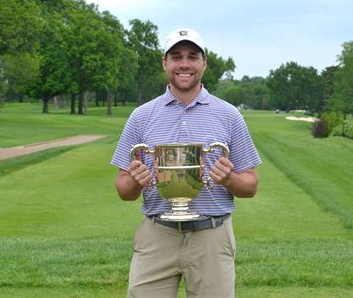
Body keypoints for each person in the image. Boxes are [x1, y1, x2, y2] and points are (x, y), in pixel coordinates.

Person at [111, 28, 262, 298]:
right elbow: (123, 188)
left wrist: (230, 179)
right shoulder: (141, 117)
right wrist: (134, 183)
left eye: (193, 57)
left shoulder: (229, 115)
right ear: (165, 63)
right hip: (157, 235)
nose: (184, 64)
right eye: (176, 56)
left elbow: (250, 185)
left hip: (212, 237)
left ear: (204, 63)